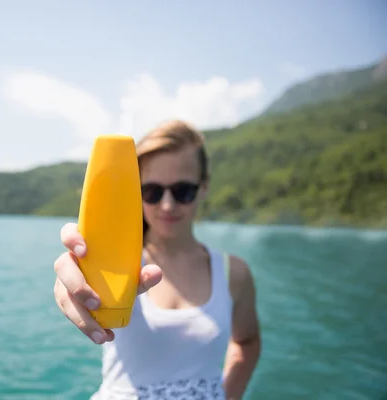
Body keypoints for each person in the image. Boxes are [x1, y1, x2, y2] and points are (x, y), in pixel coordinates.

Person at [53, 119, 261, 400]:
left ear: (204, 187)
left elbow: (247, 342)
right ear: (133, 190)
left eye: (182, 191)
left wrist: (227, 395)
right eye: (151, 191)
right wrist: (75, 278)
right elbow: (77, 284)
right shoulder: (114, 263)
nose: (167, 205)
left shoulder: (233, 273)